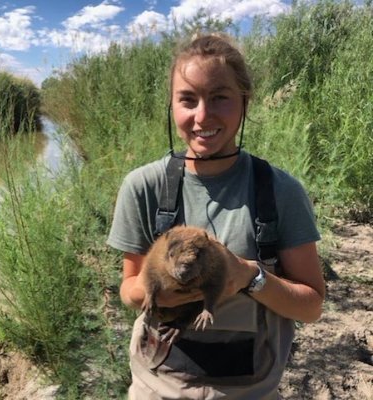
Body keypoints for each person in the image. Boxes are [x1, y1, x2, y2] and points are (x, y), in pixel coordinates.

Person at [107, 33, 325, 399]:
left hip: (249, 390)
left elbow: (312, 306)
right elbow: (129, 289)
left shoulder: (279, 191)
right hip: (158, 387)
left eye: (220, 97)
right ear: (172, 106)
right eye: (187, 99)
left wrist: (249, 276)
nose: (202, 116)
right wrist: (160, 292)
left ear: (244, 101)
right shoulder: (143, 186)